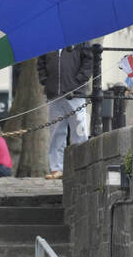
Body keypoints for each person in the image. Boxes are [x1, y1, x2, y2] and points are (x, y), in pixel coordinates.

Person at [37, 44, 93, 178]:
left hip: (75, 94)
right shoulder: (49, 41)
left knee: (79, 132)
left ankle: (81, 167)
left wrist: (77, 81)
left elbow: (88, 62)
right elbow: (41, 63)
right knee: (56, 132)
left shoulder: (81, 40)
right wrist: (45, 80)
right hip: (54, 94)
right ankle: (57, 168)